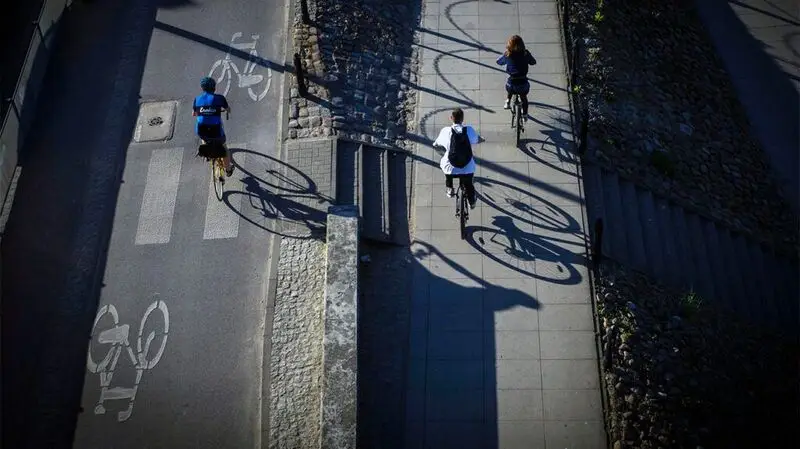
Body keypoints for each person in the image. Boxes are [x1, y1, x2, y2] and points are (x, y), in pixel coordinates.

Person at [433, 108, 480, 209]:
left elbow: (436, 143)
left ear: (451, 118)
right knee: (468, 183)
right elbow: (476, 140)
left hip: (452, 167)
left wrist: (436, 144)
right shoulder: (469, 130)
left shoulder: (446, 131)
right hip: (467, 166)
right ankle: (472, 202)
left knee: (446, 166)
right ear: (463, 119)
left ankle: (449, 188)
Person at [193, 76, 234, 176]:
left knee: (204, 135)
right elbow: (227, 109)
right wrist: (227, 110)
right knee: (224, 149)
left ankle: (207, 152)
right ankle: (228, 170)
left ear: (202, 88)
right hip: (216, 132)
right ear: (214, 88)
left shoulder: (197, 99)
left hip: (201, 131)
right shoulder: (219, 98)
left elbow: (194, 113)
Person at [496, 35, 537, 121]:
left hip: (511, 85)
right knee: (524, 98)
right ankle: (525, 115)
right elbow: (533, 62)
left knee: (510, 83)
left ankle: (508, 101)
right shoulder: (525, 53)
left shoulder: (508, 54)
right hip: (523, 84)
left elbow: (498, 62)